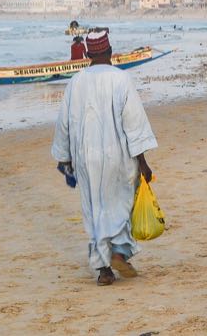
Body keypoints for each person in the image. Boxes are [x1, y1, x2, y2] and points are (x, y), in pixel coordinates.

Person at [51, 30, 157, 286]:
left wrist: (64, 160)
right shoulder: (121, 80)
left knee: (94, 210)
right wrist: (142, 162)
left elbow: (64, 125)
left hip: (86, 159)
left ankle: (104, 270)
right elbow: (133, 123)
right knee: (121, 204)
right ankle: (120, 252)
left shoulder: (75, 83)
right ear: (110, 52)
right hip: (118, 155)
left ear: (87, 54)